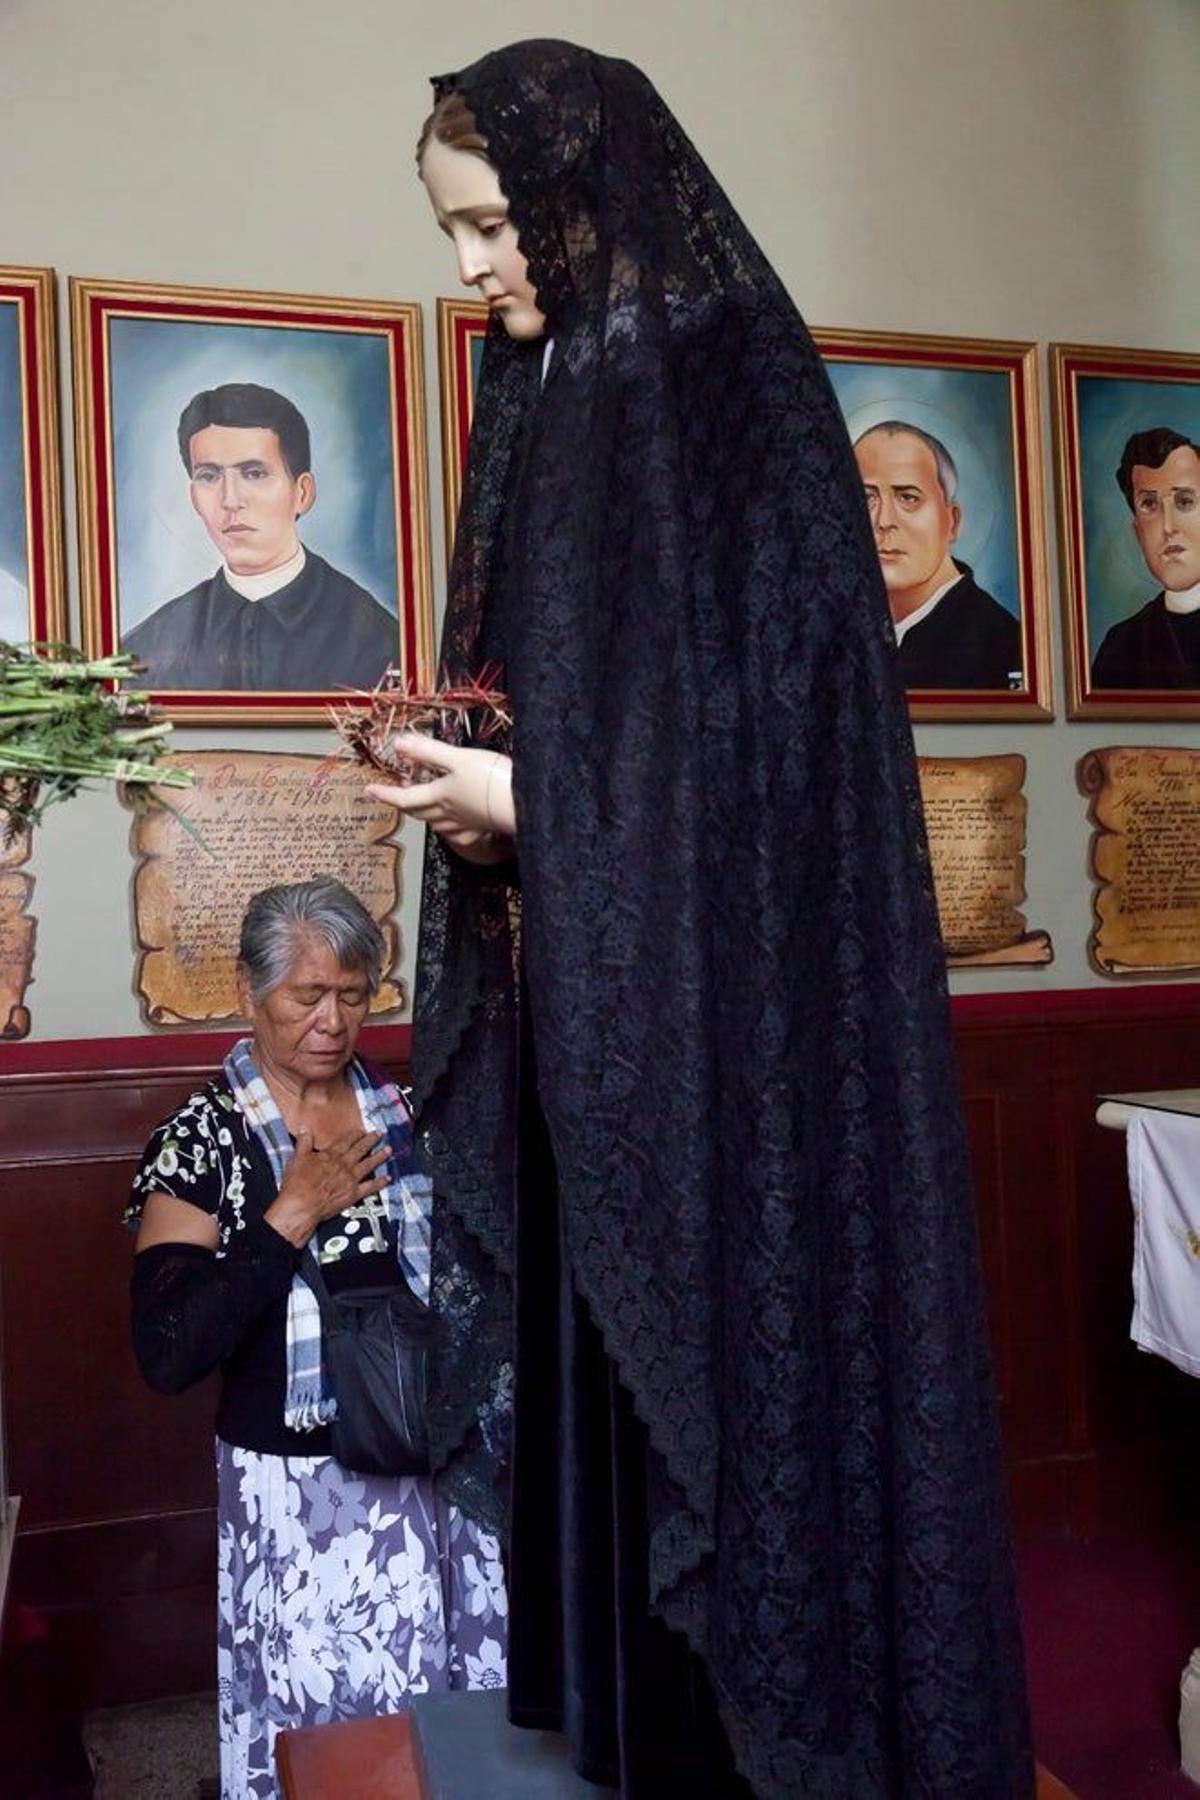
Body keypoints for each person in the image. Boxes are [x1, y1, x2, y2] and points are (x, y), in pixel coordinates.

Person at [368, 41, 1031, 1798]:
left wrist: (538, 807)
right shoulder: (553, 391)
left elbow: (765, 767)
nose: (472, 270)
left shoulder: (721, 382)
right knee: (605, 1365)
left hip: (750, 1045)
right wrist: (481, 784)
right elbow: (613, 721)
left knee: (737, 1403)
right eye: (452, 233)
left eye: (496, 226)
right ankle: (627, 1719)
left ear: (590, 195)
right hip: (604, 1017)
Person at [125, 877, 507, 1800]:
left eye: (353, 994)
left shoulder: (414, 1113)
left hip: (443, 1473)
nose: (331, 1021)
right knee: (338, 1734)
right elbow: (168, 1349)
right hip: (309, 1500)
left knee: (457, 1717)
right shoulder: (205, 1139)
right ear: (253, 996)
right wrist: (289, 1214)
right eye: (306, 995)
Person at [121, 383, 398, 692]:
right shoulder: (145, 650)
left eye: (254, 473)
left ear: (302, 493)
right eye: (209, 476)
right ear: (194, 498)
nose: (230, 500)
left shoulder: (380, 645)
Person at [853, 420, 1023, 689]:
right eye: (865, 498)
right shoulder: (837, 632)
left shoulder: (1003, 647)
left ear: (952, 522)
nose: (883, 520)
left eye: (908, 497)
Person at [1091, 427, 1200, 689]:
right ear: (1138, 533)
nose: (1167, 526)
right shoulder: (1120, 646)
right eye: (1149, 505)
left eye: (1184, 501)